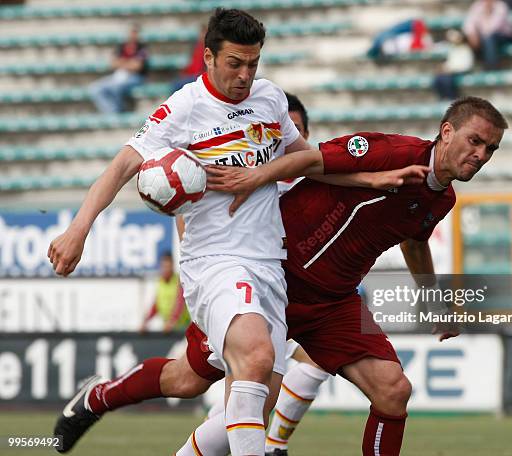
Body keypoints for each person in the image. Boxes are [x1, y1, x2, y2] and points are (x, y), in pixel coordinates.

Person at [48, 9, 415, 455]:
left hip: (270, 267)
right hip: (215, 262)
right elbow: (121, 166)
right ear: (208, 57)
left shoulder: (270, 100)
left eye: (253, 64)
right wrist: (78, 229)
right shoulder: (183, 108)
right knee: (255, 359)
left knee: (222, 390)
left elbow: (307, 163)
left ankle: (98, 397)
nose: (245, 75)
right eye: (235, 63)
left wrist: (371, 181)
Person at [89, 24, 148, 113]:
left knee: (116, 88)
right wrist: (129, 63)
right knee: (95, 88)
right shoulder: (121, 46)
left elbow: (137, 66)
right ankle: (111, 113)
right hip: (118, 75)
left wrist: (121, 62)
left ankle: (118, 112)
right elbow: (113, 63)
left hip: (135, 77)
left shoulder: (142, 48)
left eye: (135, 32)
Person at [139, 251, 190, 333]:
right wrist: (146, 321)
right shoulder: (160, 282)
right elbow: (156, 305)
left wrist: (172, 321)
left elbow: (180, 303)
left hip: (183, 328)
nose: (166, 269)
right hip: (169, 328)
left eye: (168, 266)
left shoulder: (179, 281)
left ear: (172, 266)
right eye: (164, 266)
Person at [463, 0, 512, 70]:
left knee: (489, 39)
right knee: (469, 39)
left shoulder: (500, 6)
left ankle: (491, 68)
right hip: (485, 37)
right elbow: (468, 24)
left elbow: (494, 28)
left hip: (505, 36)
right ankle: (472, 66)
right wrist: (472, 35)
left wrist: (487, 13)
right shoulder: (478, 5)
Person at [432, 29, 475, 100]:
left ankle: (452, 98)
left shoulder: (466, 49)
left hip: (461, 71)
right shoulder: (452, 49)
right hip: (451, 71)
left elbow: (466, 65)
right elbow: (450, 62)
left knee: (447, 79)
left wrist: (451, 70)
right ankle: (443, 98)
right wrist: (444, 68)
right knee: (437, 79)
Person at [172, 25, 207, 93]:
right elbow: (192, 65)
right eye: (201, 33)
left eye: (204, 33)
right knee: (175, 82)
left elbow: (202, 68)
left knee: (176, 85)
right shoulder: (197, 46)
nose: (202, 36)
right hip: (192, 75)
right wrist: (184, 73)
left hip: (199, 76)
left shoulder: (207, 48)